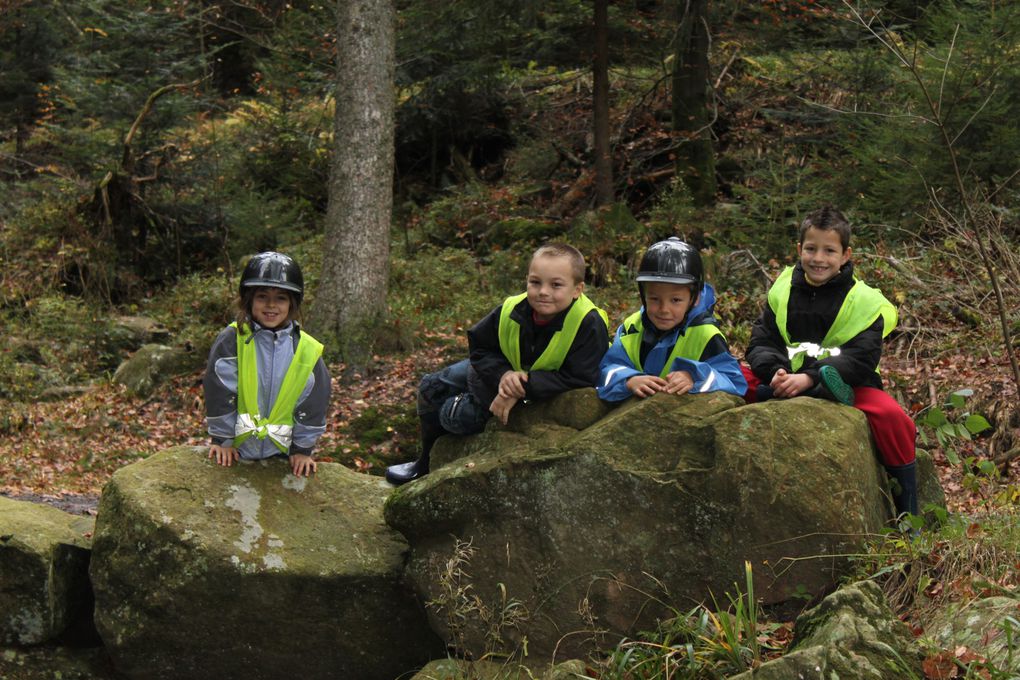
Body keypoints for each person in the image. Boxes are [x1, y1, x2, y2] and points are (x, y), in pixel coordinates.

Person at [385, 243, 611, 485]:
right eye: (535, 282)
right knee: (430, 387)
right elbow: (480, 346)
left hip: (539, 392)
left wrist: (523, 385)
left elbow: (583, 376)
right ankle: (424, 462)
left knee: (455, 415)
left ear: (577, 289)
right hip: (498, 375)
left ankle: (451, 439)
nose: (543, 291)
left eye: (556, 285)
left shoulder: (589, 322)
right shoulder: (513, 308)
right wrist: (504, 375)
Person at [745, 206, 917, 518]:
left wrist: (810, 378)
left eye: (829, 250)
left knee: (894, 418)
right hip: (784, 378)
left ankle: (909, 514)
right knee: (733, 376)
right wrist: (775, 371)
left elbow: (862, 357)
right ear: (799, 250)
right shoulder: (782, 288)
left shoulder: (866, 301)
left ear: (845, 254)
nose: (818, 259)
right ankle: (781, 391)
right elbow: (762, 339)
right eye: (811, 249)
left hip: (847, 383)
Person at [203, 251, 331, 478]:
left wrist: (302, 449)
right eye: (262, 296)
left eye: (281, 298)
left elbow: (313, 403)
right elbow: (220, 390)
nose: (271, 305)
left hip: (282, 455)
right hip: (235, 451)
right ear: (249, 299)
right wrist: (222, 439)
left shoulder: (306, 349)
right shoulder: (233, 339)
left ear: (292, 303)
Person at [598, 237, 747, 402]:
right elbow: (607, 368)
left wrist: (695, 377)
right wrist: (628, 380)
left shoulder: (707, 335)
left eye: (675, 300)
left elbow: (734, 381)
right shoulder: (632, 327)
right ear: (643, 295)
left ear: (694, 298)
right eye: (654, 299)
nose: (664, 309)